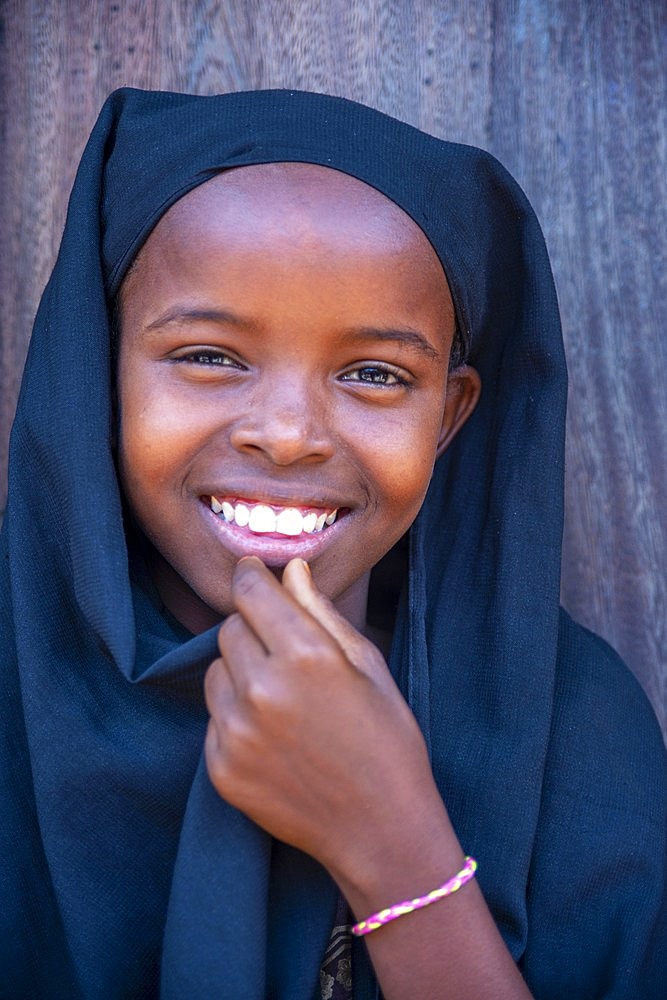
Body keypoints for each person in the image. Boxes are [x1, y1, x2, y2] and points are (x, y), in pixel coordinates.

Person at [1, 88, 664, 1000]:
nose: (286, 433)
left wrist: (394, 848)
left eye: (373, 374)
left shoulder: (573, 732)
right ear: (100, 372)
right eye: (208, 355)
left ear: (448, 414)